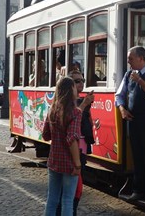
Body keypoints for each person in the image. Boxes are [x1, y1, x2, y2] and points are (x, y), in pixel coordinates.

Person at [115, 46, 145, 205]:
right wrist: (122, 109)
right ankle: (137, 190)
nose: (128, 62)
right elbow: (119, 94)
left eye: (131, 59)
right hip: (133, 120)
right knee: (137, 155)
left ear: (141, 59)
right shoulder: (128, 74)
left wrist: (141, 81)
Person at [56, 70, 95, 216]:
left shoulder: (80, 100)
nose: (81, 84)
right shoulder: (68, 105)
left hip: (81, 150)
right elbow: (72, 122)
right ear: (69, 86)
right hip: (73, 153)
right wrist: (84, 104)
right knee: (70, 193)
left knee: (72, 191)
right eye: (76, 81)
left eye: (82, 80)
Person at [43, 76, 82, 216]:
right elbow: (72, 139)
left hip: (54, 161)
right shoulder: (76, 112)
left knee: (52, 199)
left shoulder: (52, 110)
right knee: (67, 200)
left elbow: (45, 135)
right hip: (69, 164)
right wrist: (77, 164)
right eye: (74, 86)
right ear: (70, 90)